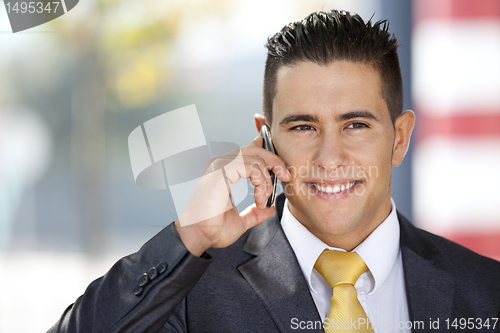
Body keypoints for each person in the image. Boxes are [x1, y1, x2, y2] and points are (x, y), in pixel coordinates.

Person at [49, 10, 500, 333]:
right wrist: (191, 234)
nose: (328, 156)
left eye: (356, 125)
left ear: (399, 138)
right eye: (303, 126)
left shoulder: (486, 292)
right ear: (265, 138)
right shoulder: (191, 290)